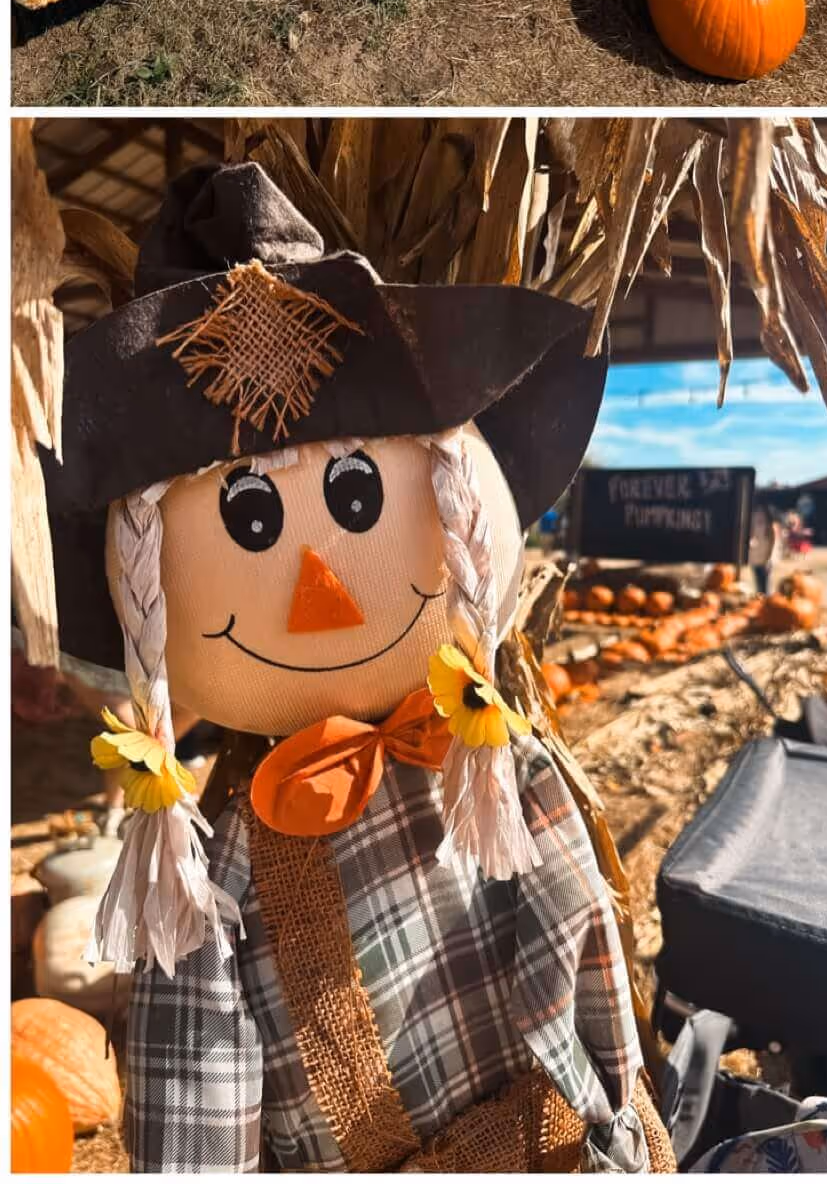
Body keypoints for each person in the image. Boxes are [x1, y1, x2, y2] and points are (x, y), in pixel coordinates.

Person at [45, 162, 673, 1173]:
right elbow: (200, 1091)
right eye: (248, 518)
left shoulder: (496, 756)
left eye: (357, 495)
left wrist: (615, 1116)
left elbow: (579, 928)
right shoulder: (222, 866)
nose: (322, 589)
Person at [749, 504, 783, 595]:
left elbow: (773, 541)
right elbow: (753, 535)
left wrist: (769, 557)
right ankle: (760, 596)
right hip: (756, 554)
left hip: (767, 556)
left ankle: (765, 598)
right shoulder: (754, 520)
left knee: (765, 580)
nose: (757, 513)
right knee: (758, 578)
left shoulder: (772, 526)